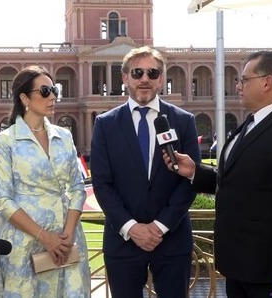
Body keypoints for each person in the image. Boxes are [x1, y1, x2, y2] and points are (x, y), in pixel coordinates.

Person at [163, 51, 272, 298]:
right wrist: (194, 172)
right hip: (237, 266)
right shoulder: (250, 124)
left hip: (269, 272)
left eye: (244, 80)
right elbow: (237, 181)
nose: (238, 86)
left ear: (267, 82)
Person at [90, 46, 201, 298]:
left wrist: (160, 226)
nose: (144, 79)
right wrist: (132, 228)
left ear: (161, 79)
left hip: (171, 240)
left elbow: (191, 180)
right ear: (125, 77)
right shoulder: (105, 124)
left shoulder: (183, 121)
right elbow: (102, 184)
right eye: (137, 72)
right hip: (123, 241)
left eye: (152, 73)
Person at [0, 65, 90, 297]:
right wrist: (46, 238)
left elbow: (77, 187)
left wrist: (64, 237)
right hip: (22, 240)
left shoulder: (64, 136)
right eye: (45, 91)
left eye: (54, 90)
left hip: (67, 239)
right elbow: (3, 200)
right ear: (24, 97)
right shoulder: (7, 141)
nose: (53, 96)